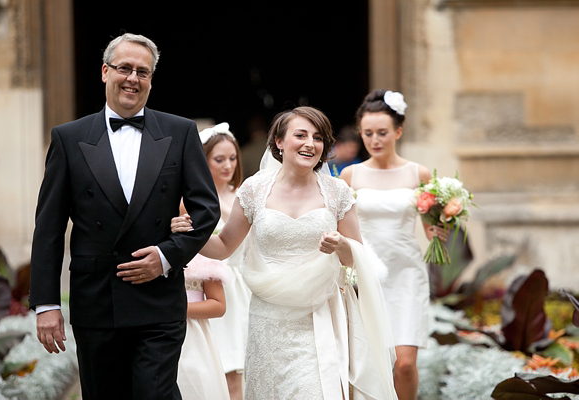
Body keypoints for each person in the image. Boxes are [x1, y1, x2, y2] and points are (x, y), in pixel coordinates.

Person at [29, 33, 220, 399]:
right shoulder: (68, 138)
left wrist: (166, 256)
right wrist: (47, 304)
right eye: (125, 68)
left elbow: (206, 209)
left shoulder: (180, 132)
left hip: (159, 301)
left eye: (143, 72)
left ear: (151, 80)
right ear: (105, 72)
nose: (133, 78)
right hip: (97, 301)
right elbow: (49, 227)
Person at [172, 106, 398, 399]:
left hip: (318, 316)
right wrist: (191, 233)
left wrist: (342, 245)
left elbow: (357, 260)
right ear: (279, 142)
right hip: (268, 318)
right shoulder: (254, 189)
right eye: (300, 135)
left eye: (317, 138)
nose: (310, 144)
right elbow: (224, 246)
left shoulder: (337, 192)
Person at [341, 89, 447, 400]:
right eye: (368, 133)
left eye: (382, 133)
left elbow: (430, 229)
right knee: (372, 362)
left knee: (404, 364)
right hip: (366, 275)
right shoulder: (350, 175)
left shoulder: (419, 173)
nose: (375, 140)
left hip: (406, 275)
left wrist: (442, 227)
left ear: (398, 132)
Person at [181, 122, 251, 400]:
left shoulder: (245, 197)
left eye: (232, 158)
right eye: (219, 159)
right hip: (214, 286)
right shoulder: (190, 201)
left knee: (240, 374)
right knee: (217, 369)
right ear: (203, 160)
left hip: (245, 290)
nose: (228, 166)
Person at [177, 254, 231, 400]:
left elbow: (218, 305)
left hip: (192, 336)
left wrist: (174, 309)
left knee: (193, 385)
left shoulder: (202, 256)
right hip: (149, 331)